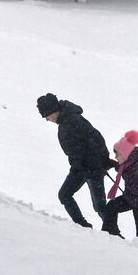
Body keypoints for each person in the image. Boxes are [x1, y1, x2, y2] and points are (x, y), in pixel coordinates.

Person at [37, 92, 114, 229]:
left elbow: (96, 140)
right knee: (64, 195)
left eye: (46, 116)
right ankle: (82, 226)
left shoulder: (73, 120)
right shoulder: (65, 121)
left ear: (53, 111)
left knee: (99, 205)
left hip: (92, 169)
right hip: (80, 169)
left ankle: (113, 232)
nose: (47, 120)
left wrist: (101, 162)